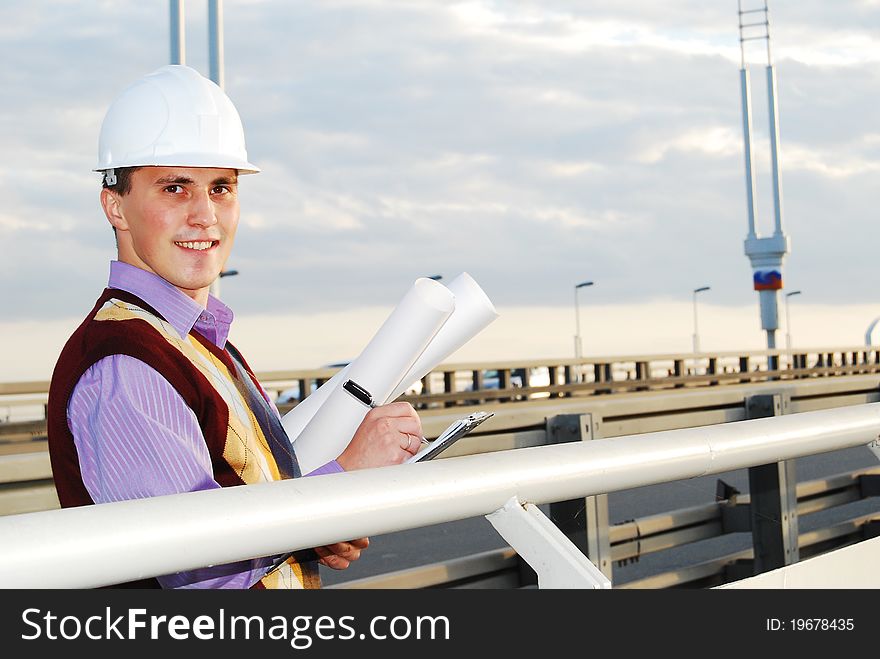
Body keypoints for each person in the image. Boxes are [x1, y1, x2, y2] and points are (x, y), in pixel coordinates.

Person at [46, 64, 424, 589]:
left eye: (221, 187)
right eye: (175, 188)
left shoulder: (194, 342)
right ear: (116, 206)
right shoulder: (124, 364)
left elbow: (233, 510)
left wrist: (322, 518)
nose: (206, 215)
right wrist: (343, 482)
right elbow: (200, 571)